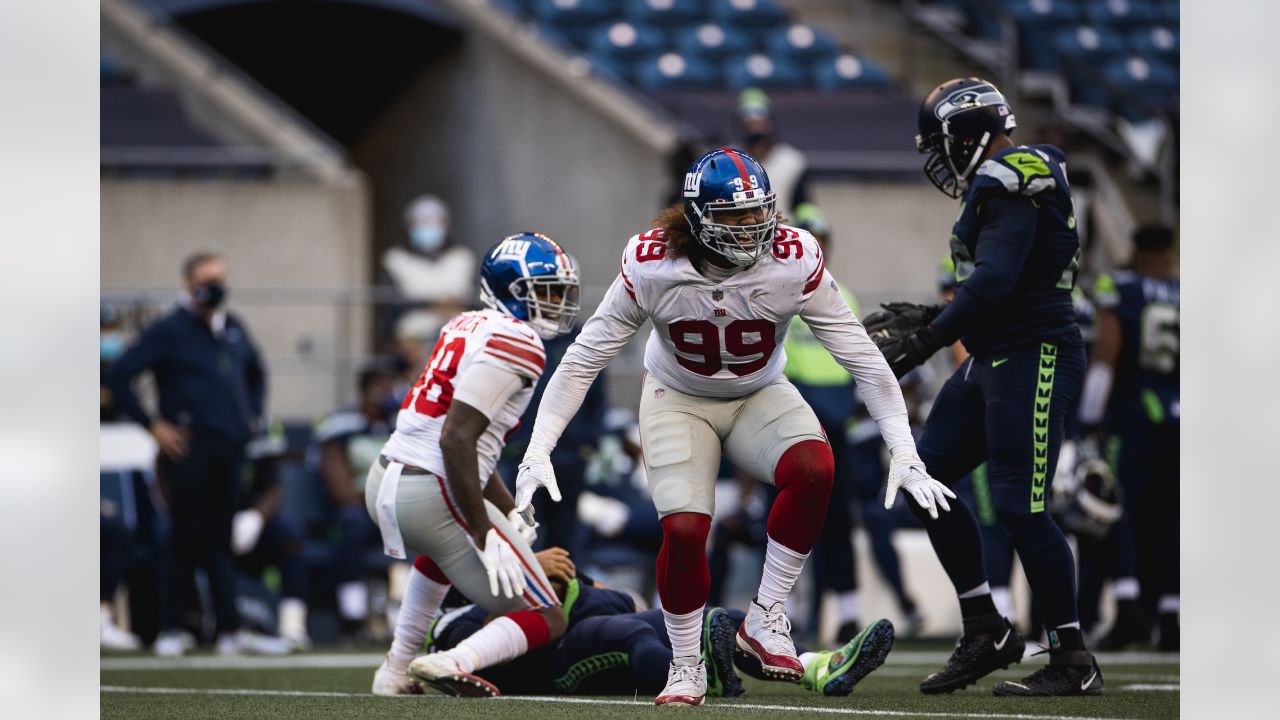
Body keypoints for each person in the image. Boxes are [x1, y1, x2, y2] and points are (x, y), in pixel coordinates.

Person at [515, 147, 953, 706]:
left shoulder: (793, 259)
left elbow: (863, 358)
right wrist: (539, 448)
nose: (753, 229)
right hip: (677, 398)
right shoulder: (652, 264)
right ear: (698, 218)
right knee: (685, 530)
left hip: (757, 393)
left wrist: (905, 452)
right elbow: (583, 359)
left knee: (816, 467)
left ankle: (766, 619)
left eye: (759, 213)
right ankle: (684, 665)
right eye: (736, 217)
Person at [865, 77, 1102, 695]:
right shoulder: (1007, 179)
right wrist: (938, 318)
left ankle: (1073, 658)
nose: (939, 161)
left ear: (965, 133)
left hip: (1034, 353)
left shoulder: (1011, 178)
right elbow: (1001, 279)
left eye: (941, 145)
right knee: (922, 477)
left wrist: (929, 340)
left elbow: (996, 278)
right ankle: (985, 628)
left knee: (1021, 510)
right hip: (997, 354)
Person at [366, 232, 581, 697]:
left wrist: (509, 513)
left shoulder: (466, 323)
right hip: (431, 486)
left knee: (441, 553)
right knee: (548, 615)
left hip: (389, 475)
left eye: (560, 291)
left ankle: (396, 668)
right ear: (510, 292)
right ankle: (451, 661)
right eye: (545, 291)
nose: (557, 302)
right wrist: (486, 532)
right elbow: (457, 440)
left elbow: (471, 451)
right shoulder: (519, 340)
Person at [106, 252, 289, 656]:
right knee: (184, 537)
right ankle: (171, 628)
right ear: (189, 283)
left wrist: (252, 416)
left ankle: (229, 630)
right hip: (189, 448)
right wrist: (154, 425)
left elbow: (256, 371)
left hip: (230, 448)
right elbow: (118, 375)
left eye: (221, 277)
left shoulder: (232, 328)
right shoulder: (170, 330)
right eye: (208, 279)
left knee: (218, 540)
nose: (217, 286)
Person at [428, 563, 895, 699]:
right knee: (632, 638)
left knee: (718, 616)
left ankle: (819, 666)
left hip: (605, 618)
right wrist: (532, 578)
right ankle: (702, 673)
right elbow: (494, 639)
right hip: (565, 654)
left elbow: (617, 596)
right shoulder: (453, 624)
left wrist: (547, 574)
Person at [1078, 224, 1180, 651]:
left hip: (1134, 415)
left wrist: (1088, 418)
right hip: (1178, 416)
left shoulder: (1121, 286)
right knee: (1169, 518)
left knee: (1120, 512)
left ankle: (1128, 607)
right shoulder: (1183, 292)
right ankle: (1171, 615)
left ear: (1135, 248)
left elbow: (1107, 354)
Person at [315, 365, 401, 639]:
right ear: (364, 391)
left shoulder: (401, 423)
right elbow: (337, 480)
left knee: (421, 522)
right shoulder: (342, 424)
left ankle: (403, 614)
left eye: (389, 387)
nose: (385, 394)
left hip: (396, 506)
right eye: (379, 387)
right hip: (359, 506)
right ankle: (352, 617)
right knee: (350, 524)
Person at [381, 194, 477, 350]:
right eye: (421, 222)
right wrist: (432, 304)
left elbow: (472, 298)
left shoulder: (462, 257)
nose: (428, 227)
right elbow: (392, 305)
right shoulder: (395, 259)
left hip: (457, 334)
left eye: (434, 222)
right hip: (413, 336)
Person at [738, 89, 811, 216]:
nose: (754, 125)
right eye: (749, 119)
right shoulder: (728, 158)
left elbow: (803, 205)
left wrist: (812, 222)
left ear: (770, 121)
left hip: (782, 231)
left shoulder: (792, 161)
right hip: (739, 232)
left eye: (760, 117)